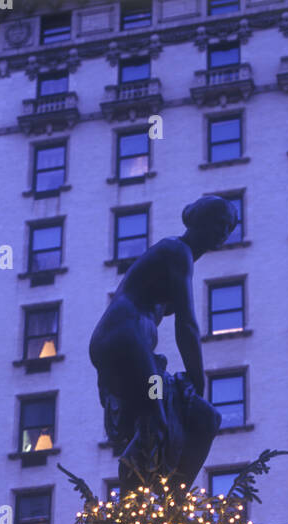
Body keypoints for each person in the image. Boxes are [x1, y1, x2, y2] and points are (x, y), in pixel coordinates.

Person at [88, 194, 239, 490]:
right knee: (154, 416)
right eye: (219, 222)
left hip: (134, 344)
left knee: (205, 418)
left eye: (229, 227)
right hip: (123, 337)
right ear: (199, 219)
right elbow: (187, 324)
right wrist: (197, 379)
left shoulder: (180, 257)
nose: (223, 231)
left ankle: (173, 502)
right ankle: (133, 503)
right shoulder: (176, 251)